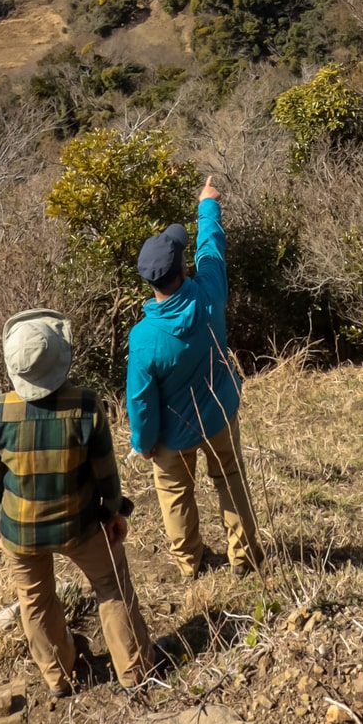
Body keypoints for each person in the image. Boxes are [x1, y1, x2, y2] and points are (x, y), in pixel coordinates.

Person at [0, 308, 153, 695]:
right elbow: (107, 474)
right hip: (81, 523)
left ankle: (59, 677)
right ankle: (136, 671)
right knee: (111, 586)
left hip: (20, 531)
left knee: (36, 601)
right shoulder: (86, 405)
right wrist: (113, 513)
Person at [126, 175, 264, 581]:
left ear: (150, 282)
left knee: (174, 495)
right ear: (182, 268)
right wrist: (208, 205)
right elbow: (212, 249)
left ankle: (190, 563)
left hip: (171, 435)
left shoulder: (145, 338)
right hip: (220, 411)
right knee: (230, 478)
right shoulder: (209, 294)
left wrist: (143, 442)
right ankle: (245, 556)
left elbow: (139, 400)